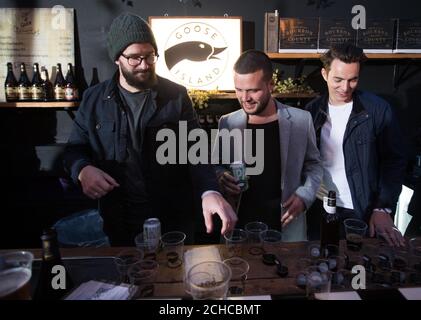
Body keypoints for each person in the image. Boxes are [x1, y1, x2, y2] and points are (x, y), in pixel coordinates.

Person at [63, 13, 236, 246]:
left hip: (172, 216)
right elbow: (74, 149)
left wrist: (209, 191)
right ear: (117, 58)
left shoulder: (176, 95)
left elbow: (195, 151)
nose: (144, 65)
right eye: (134, 58)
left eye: (150, 56)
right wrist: (83, 170)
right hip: (119, 217)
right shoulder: (93, 100)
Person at [212, 50, 322, 241]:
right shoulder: (227, 122)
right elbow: (215, 166)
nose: (245, 98)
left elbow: (314, 165)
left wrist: (305, 196)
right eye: (239, 89)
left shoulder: (301, 120)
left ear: (271, 84)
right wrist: (221, 176)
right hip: (238, 227)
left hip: (286, 226)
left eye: (253, 90)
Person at [305, 43, 407, 246]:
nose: (345, 87)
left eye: (353, 79)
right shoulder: (312, 111)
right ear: (324, 74)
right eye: (338, 79)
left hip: (362, 211)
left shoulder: (377, 110)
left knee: (361, 268)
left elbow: (394, 161)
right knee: (321, 266)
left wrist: (382, 208)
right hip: (320, 209)